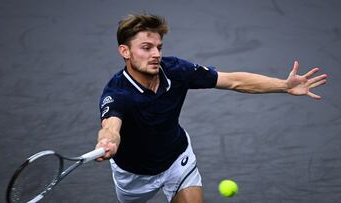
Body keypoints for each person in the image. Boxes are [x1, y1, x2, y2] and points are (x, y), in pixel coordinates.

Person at [94, 13, 327, 203]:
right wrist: (108, 141)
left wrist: (284, 86)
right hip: (134, 176)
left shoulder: (175, 70)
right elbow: (111, 126)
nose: (156, 54)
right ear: (125, 51)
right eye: (146, 47)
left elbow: (233, 80)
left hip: (177, 159)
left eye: (158, 47)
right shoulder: (118, 94)